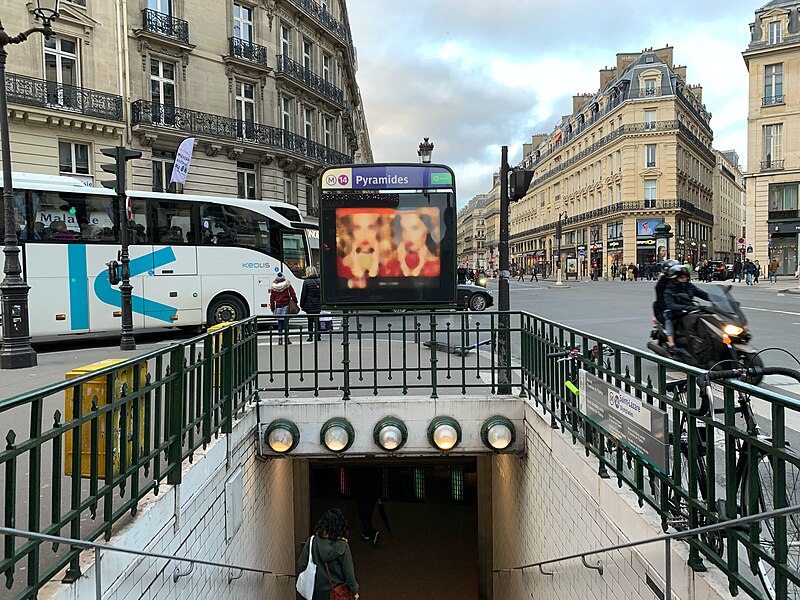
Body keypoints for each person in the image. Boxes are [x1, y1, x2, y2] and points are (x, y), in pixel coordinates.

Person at [297, 508, 360, 600]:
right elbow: (349, 573)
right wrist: (354, 590)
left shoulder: (312, 542)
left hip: (316, 592)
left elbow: (302, 564)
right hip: (336, 593)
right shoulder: (343, 546)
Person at [663, 264, 710, 351]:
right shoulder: (669, 291)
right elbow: (671, 305)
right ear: (674, 278)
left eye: (685, 277)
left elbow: (703, 294)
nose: (684, 279)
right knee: (668, 317)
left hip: (690, 311)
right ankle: (671, 343)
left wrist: (719, 299)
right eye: (681, 277)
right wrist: (688, 307)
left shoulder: (689, 287)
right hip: (676, 312)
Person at [652, 259, 680, 351]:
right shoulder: (662, 284)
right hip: (664, 309)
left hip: (680, 307)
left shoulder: (679, 281)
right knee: (669, 317)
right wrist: (672, 307)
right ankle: (671, 343)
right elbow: (662, 300)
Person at [269, 272, 297, 344]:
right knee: (286, 323)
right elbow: (293, 294)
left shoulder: (274, 287)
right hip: (286, 305)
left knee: (280, 323)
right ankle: (287, 338)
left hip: (278, 306)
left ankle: (280, 339)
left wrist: (272, 308)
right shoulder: (287, 285)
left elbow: (272, 298)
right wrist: (295, 302)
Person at [300, 266, 322, 342]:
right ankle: (318, 336)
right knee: (317, 320)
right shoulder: (319, 281)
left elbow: (304, 295)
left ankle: (310, 336)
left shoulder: (306, 282)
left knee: (310, 321)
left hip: (309, 304)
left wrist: (301, 305)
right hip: (318, 303)